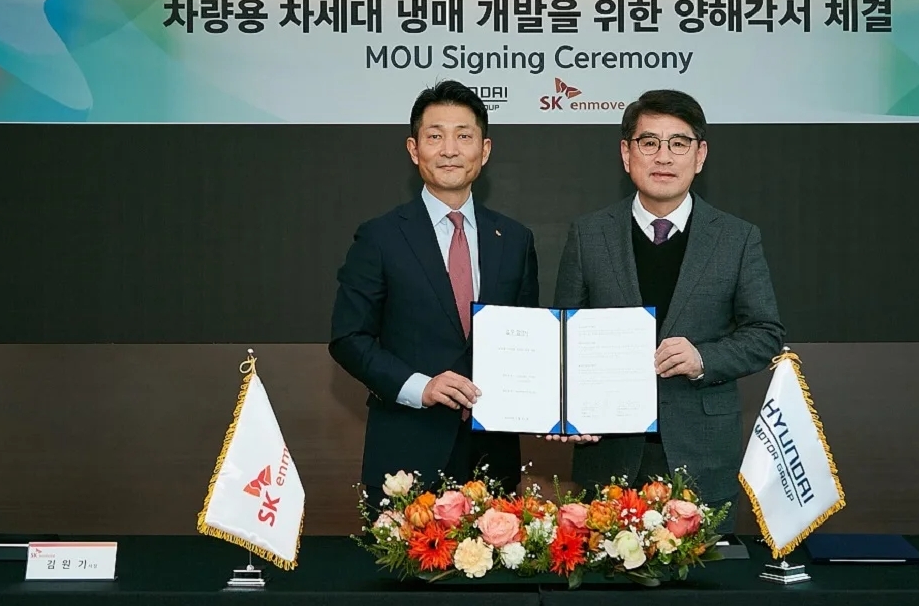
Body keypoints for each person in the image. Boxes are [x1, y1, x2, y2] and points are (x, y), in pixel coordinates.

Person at [552, 89, 784, 511]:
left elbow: (766, 334)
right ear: (626, 154)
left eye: (678, 143)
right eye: (649, 142)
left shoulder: (736, 238)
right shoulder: (589, 235)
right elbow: (563, 337)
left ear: (700, 155)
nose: (663, 157)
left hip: (701, 455)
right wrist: (568, 408)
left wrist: (703, 358)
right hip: (607, 453)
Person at [330, 80, 539, 496]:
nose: (449, 150)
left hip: (492, 456)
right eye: (435, 136)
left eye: (464, 136)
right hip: (407, 450)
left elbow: (528, 338)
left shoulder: (515, 239)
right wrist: (419, 386)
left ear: (485, 150)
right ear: (414, 149)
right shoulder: (380, 237)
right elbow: (349, 338)